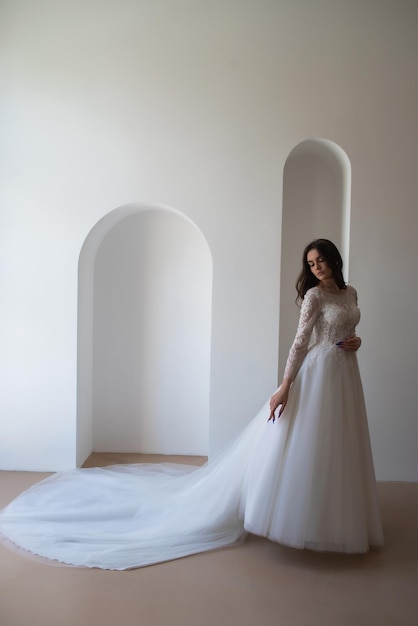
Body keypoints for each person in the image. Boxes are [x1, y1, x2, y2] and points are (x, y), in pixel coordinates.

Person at [0, 239, 383, 570]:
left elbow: (348, 330)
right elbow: (300, 342)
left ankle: (334, 519)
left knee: (339, 444)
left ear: (334, 259)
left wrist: (357, 341)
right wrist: (285, 386)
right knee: (304, 443)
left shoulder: (350, 294)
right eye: (310, 264)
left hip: (345, 374)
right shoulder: (314, 296)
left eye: (320, 261)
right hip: (316, 374)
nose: (315, 268)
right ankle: (302, 520)